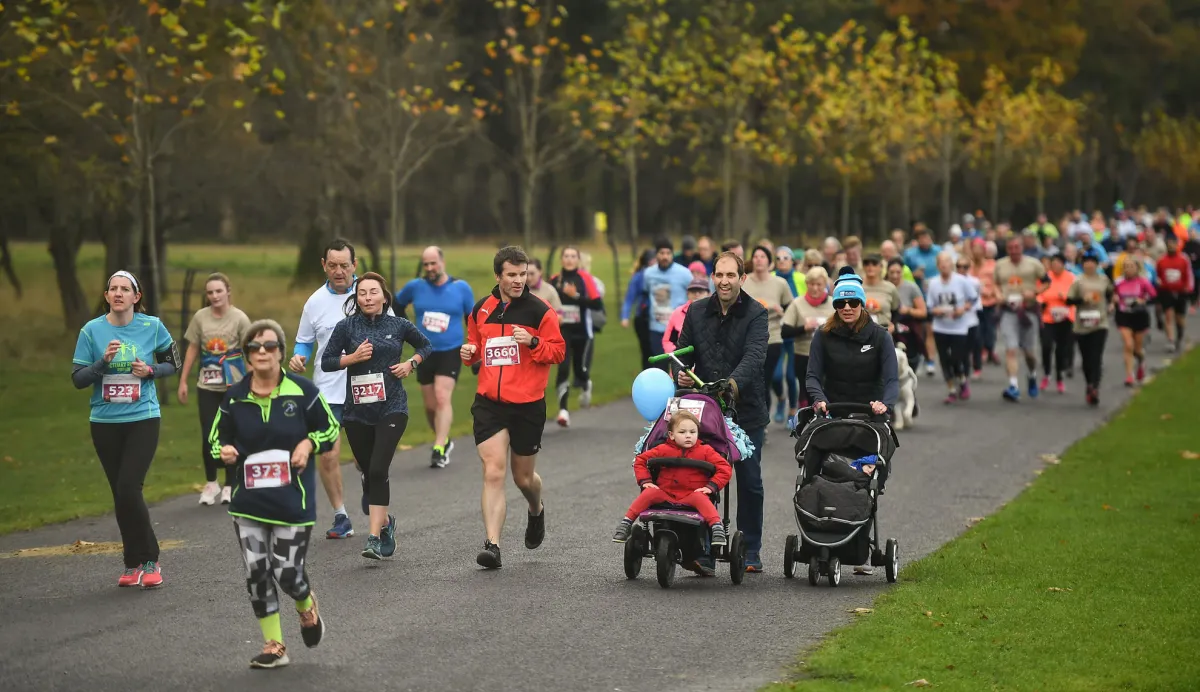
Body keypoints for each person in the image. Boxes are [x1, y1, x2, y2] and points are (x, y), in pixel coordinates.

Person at [211, 319, 337, 669]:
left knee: (287, 573)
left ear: (281, 352)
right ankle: (274, 645)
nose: (262, 352)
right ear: (247, 355)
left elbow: (330, 429)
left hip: (291, 502)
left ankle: (305, 604)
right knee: (257, 572)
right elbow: (215, 440)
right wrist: (223, 451)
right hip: (248, 503)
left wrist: (308, 443)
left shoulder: (303, 392)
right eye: (254, 347)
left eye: (269, 346)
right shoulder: (234, 397)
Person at [72, 270, 179, 589]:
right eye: (113, 289)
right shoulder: (91, 330)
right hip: (104, 422)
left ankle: (150, 560)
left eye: (125, 289)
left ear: (136, 296)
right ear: (106, 296)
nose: (118, 293)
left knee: (129, 487)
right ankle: (132, 564)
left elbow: (172, 363)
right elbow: (78, 379)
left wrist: (150, 370)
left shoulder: (152, 326)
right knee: (120, 494)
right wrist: (102, 364)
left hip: (143, 417)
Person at [461, 246, 566, 569]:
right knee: (493, 471)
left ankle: (536, 509)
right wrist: (469, 353)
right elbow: (477, 347)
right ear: (498, 276)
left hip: (527, 405)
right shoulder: (481, 309)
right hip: (490, 404)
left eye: (523, 274)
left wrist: (533, 342)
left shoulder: (541, 311)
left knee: (523, 478)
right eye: (512, 275)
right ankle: (492, 545)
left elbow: (558, 352)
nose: (519, 280)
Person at [323, 273, 432, 559]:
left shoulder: (399, 325)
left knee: (378, 471)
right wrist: (352, 359)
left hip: (392, 407)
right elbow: (326, 361)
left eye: (373, 292)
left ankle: (372, 539)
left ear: (384, 296)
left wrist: (410, 364)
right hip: (357, 411)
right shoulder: (346, 326)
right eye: (362, 293)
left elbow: (425, 346)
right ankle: (385, 524)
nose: (368, 297)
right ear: (356, 298)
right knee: (368, 470)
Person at [673, 251, 768, 572]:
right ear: (712, 277)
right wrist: (681, 373)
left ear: (742, 278)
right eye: (719, 275)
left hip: (746, 409)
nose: (724, 281)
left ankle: (751, 548)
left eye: (731, 275)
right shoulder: (697, 310)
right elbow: (682, 353)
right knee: (700, 474)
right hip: (704, 409)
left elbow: (754, 357)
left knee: (749, 480)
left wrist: (731, 385)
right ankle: (703, 549)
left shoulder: (756, 313)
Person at [289, 239, 386, 539]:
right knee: (328, 454)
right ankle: (341, 516)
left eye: (344, 265)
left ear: (354, 265)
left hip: (366, 388)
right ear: (323, 265)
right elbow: (304, 341)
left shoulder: (370, 294)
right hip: (328, 391)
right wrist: (298, 356)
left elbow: (394, 331)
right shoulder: (314, 302)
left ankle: (368, 478)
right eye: (332, 265)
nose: (339, 271)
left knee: (363, 456)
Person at [804, 268, 899, 575]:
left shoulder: (880, 337)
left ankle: (859, 542)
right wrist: (818, 399)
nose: (846, 308)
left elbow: (892, 380)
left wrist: (885, 404)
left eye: (853, 303)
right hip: (833, 413)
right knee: (814, 464)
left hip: (869, 417)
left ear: (862, 304)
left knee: (867, 479)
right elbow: (812, 376)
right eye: (840, 304)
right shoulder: (823, 336)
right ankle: (817, 536)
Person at [394, 247, 474, 468]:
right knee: (430, 406)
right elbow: (396, 304)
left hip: (450, 350)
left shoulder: (461, 288)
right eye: (426, 264)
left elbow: (473, 319)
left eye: (433, 263)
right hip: (424, 352)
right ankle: (443, 439)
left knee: (441, 397)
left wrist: (474, 347)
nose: (430, 268)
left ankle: (438, 448)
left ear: (442, 262)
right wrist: (406, 330)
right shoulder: (415, 287)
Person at [177, 272, 251, 506]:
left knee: (230, 433)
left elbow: (249, 352)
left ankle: (230, 484)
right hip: (207, 384)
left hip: (233, 384)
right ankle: (211, 482)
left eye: (219, 291)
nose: (215, 296)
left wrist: (254, 383)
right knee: (209, 433)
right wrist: (183, 380)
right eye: (210, 292)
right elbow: (193, 348)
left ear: (228, 291)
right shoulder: (200, 317)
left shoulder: (239, 318)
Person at [611, 410, 732, 546]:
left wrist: (712, 486)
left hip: (692, 494)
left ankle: (716, 527)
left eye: (693, 432)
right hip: (666, 493)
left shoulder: (705, 451)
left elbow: (725, 468)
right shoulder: (663, 449)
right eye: (682, 432)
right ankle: (626, 522)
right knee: (649, 492)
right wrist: (645, 481)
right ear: (671, 435)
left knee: (702, 498)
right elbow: (640, 460)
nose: (688, 436)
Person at [549, 246, 605, 427]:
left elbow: (597, 304)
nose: (569, 259)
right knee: (563, 367)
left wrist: (576, 296)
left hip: (582, 331)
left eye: (573, 256)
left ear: (578, 260)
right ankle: (563, 410)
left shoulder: (585, 278)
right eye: (566, 256)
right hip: (562, 331)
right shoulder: (554, 280)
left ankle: (585, 382)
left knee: (579, 369)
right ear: (561, 259)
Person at [995, 236, 1048, 402]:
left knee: (1029, 352)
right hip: (1008, 311)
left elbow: (1047, 282)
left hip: (1028, 311)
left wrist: (1035, 292)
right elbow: (995, 283)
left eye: (1017, 247)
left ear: (1022, 248)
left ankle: (1032, 375)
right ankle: (1013, 385)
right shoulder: (1000, 265)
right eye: (1010, 248)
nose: (1014, 251)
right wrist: (998, 294)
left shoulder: (1033, 264)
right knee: (1011, 349)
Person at [742, 245, 793, 415]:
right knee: (753, 380)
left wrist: (780, 311)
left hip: (773, 336)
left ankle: (764, 418)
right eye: (755, 256)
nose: (758, 260)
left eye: (762, 256)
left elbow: (791, 309)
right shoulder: (744, 281)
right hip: (748, 338)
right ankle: (757, 416)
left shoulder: (780, 283)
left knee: (767, 379)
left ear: (770, 262)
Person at [926, 253, 979, 404]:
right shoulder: (933, 283)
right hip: (940, 327)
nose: (944, 265)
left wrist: (964, 309)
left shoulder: (961, 281)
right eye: (941, 263)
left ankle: (962, 379)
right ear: (938, 266)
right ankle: (951, 390)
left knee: (956, 358)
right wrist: (936, 311)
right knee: (944, 359)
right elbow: (930, 305)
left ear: (951, 264)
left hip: (959, 327)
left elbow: (973, 298)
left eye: (947, 262)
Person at [781, 266, 835, 409]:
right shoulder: (797, 303)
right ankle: (805, 415)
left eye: (819, 284)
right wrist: (804, 328)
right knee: (807, 391)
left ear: (825, 285)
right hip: (803, 355)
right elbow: (785, 332)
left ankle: (825, 416)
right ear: (807, 284)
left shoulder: (833, 304)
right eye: (812, 284)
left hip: (827, 355)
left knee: (825, 391)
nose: (815, 288)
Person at [1066, 250, 1113, 406]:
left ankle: (1095, 387)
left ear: (1097, 264)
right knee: (1086, 358)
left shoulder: (1103, 280)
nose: (1089, 265)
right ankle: (1089, 383)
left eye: (1092, 262)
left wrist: (1112, 303)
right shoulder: (1078, 281)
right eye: (1086, 262)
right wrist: (1081, 300)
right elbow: (1069, 300)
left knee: (1096, 356)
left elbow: (1111, 294)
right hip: (1082, 324)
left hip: (1100, 323)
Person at [640, 238, 695, 360]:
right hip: (656, 328)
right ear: (656, 254)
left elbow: (694, 294)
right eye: (662, 253)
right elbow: (646, 293)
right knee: (659, 364)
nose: (665, 257)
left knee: (679, 365)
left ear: (672, 254)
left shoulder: (684, 273)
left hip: (678, 329)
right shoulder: (648, 273)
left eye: (668, 253)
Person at [1113, 257, 1156, 386]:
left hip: (1139, 316)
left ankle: (1141, 361)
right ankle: (1129, 375)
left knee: (1137, 349)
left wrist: (1142, 300)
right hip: (1123, 315)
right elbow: (1114, 295)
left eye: (1131, 266)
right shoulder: (1118, 282)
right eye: (1126, 267)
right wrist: (1114, 301)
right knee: (1128, 345)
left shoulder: (1143, 282)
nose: (1128, 269)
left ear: (1137, 268)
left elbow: (1153, 296)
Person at [1037, 254, 1077, 394]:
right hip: (1048, 317)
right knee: (1046, 346)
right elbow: (1038, 292)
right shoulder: (1045, 277)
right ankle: (1047, 373)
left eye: (1058, 263)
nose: (1056, 266)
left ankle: (1059, 376)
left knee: (1061, 349)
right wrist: (1041, 301)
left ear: (1063, 264)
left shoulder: (1071, 278)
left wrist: (1064, 297)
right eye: (1053, 263)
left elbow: (1075, 296)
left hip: (1065, 317)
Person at [772, 247, 802, 423]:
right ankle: (781, 399)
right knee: (775, 377)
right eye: (778, 258)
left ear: (792, 261)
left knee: (791, 377)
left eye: (786, 257)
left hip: (795, 335)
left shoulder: (800, 279)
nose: (782, 261)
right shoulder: (771, 278)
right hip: (775, 334)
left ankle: (792, 410)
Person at [887, 258, 928, 368]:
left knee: (909, 365)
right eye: (892, 272)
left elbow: (923, 312)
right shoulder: (883, 286)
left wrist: (908, 310)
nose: (895, 276)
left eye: (898, 272)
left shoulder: (911, 287)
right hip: (888, 330)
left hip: (907, 331)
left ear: (903, 272)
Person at [1156, 233, 1193, 352]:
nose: (1171, 246)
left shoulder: (1183, 259)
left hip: (1181, 292)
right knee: (1168, 315)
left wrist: (1188, 288)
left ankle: (1180, 334)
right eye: (1169, 244)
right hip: (1166, 291)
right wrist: (1159, 284)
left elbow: (1188, 275)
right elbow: (1158, 275)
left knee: (1179, 318)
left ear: (1177, 245)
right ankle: (1170, 340)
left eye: (1173, 244)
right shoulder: (1161, 260)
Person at [620, 249, 656, 365]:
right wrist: (625, 317)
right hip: (643, 318)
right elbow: (629, 298)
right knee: (647, 351)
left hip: (659, 319)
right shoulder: (639, 277)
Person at [662, 278, 711, 353]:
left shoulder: (715, 311)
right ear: (688, 294)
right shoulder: (678, 312)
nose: (696, 294)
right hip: (683, 355)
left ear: (709, 294)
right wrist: (676, 354)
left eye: (700, 291)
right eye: (693, 291)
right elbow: (667, 341)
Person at [955, 256, 984, 379]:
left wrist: (969, 308)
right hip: (956, 318)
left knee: (974, 344)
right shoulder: (952, 281)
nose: (961, 269)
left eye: (965, 267)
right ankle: (963, 371)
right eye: (959, 266)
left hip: (971, 317)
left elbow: (977, 299)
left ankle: (977, 367)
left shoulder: (974, 282)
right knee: (960, 346)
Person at [862, 253, 901, 332]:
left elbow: (896, 311)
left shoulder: (890, 288)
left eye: (874, 263)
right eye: (866, 263)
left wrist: (893, 326)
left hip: (884, 328)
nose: (870, 266)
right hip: (861, 329)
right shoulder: (857, 287)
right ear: (863, 267)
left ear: (881, 266)